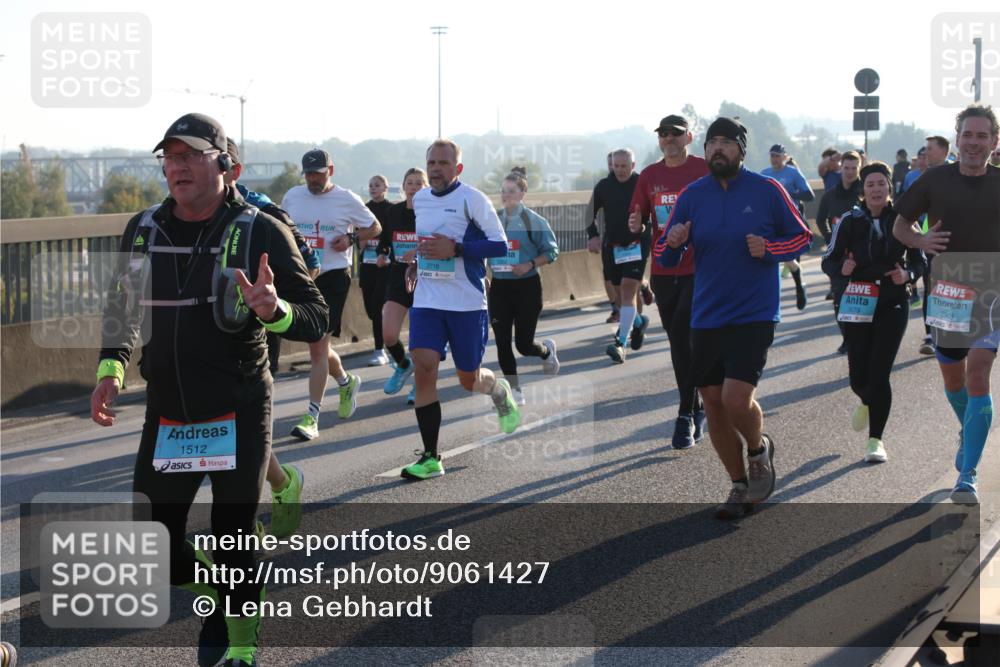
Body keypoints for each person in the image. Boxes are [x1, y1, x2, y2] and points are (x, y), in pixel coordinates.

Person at [90, 113, 328, 667]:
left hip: (238, 407)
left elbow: (316, 318)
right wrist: (112, 370)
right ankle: (221, 597)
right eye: (169, 158)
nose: (176, 167)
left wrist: (274, 310)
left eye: (190, 155)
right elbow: (122, 307)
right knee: (155, 543)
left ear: (227, 165)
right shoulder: (144, 228)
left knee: (233, 535)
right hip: (170, 411)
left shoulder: (261, 230)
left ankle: (241, 644)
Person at [657, 117, 812, 519]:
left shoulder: (767, 189)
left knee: (735, 398)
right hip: (706, 314)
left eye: (727, 143)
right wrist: (673, 243)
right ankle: (739, 484)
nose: (718, 149)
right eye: (712, 143)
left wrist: (770, 248)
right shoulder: (692, 196)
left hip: (754, 312)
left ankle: (759, 451)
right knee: (711, 403)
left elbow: (802, 237)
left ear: (741, 150)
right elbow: (663, 252)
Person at [893, 104, 1000, 504]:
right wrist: (919, 241)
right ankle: (969, 429)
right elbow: (900, 225)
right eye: (968, 135)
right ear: (957, 139)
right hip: (948, 296)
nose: (974, 143)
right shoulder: (932, 181)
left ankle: (967, 474)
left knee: (978, 375)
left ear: (995, 141)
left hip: (992, 296)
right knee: (953, 381)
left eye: (982, 136)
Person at [400, 139, 520, 480]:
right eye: (431, 163)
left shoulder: (472, 199)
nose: (436, 168)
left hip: (466, 303)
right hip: (427, 300)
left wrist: (457, 248)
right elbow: (428, 242)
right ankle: (430, 457)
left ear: (458, 168)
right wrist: (418, 261)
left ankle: (498, 390)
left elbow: (499, 245)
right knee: (424, 369)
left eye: (443, 163)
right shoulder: (420, 199)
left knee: (469, 379)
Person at [223, 138, 312, 540]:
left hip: (255, 333)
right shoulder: (178, 213)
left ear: (229, 167)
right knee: (216, 429)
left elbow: (307, 266)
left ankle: (253, 510)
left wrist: (274, 305)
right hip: (199, 337)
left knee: (241, 425)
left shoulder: (264, 213)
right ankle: (274, 487)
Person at [822, 162, 925, 463]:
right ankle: (867, 400)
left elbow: (921, 260)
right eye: (870, 185)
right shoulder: (849, 221)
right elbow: (828, 260)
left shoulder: (904, 222)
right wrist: (843, 269)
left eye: (881, 184)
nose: (876, 189)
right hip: (858, 300)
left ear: (890, 189)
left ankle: (875, 441)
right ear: (863, 191)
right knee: (858, 378)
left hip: (893, 301)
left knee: (880, 375)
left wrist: (909, 275)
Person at [281, 149, 381, 440]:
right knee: (318, 346)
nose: (313, 179)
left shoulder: (346, 198)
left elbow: (375, 226)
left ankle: (312, 416)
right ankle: (345, 381)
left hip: (334, 276)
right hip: (302, 277)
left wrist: (351, 238)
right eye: (309, 174)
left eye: (319, 173)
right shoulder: (292, 196)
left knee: (316, 346)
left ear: (331, 171)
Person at [627, 113, 710, 448]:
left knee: (686, 335)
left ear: (689, 138)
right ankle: (696, 405)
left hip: (700, 268)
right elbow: (641, 219)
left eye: (676, 134)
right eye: (663, 135)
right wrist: (636, 225)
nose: (669, 140)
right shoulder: (649, 176)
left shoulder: (704, 169)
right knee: (679, 344)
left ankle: (684, 415)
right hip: (663, 270)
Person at [488, 167, 561, 405]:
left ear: (522, 194)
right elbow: (481, 248)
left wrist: (529, 264)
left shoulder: (533, 220)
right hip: (499, 288)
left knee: (523, 344)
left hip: (527, 287)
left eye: (511, 191)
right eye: (503, 191)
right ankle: (515, 389)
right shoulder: (492, 220)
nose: (506, 195)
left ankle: (546, 352)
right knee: (501, 341)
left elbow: (552, 251)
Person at [587, 148, 648, 363]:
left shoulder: (642, 183)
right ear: (611, 164)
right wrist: (593, 236)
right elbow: (589, 213)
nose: (620, 170)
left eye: (624, 166)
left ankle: (621, 343)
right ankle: (639, 322)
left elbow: (653, 213)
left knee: (629, 289)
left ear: (633, 165)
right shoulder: (604, 186)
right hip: (612, 246)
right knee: (621, 294)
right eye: (616, 165)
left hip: (637, 244)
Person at [380, 168, 429, 404]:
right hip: (398, 278)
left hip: (425, 280)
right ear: (403, 187)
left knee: (419, 341)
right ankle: (402, 365)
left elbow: (440, 242)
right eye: (410, 182)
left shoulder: (431, 213)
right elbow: (385, 242)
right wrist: (382, 254)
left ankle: (420, 386)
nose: (414, 187)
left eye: (419, 183)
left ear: (426, 187)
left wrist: (418, 251)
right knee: (388, 335)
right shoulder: (393, 211)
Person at [816, 150, 863, 353]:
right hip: (838, 254)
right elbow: (820, 219)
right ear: (840, 168)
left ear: (859, 169)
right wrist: (829, 238)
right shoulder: (830, 195)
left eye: (854, 168)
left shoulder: (863, 192)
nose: (850, 172)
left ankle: (862, 337)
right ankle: (847, 339)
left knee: (861, 298)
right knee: (839, 298)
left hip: (862, 253)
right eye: (847, 168)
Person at [761, 143, 814, 310]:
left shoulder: (792, 173)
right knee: (768, 259)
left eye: (777, 155)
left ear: (785, 156)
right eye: (772, 155)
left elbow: (810, 195)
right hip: (770, 222)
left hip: (789, 221)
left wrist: (787, 194)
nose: (774, 159)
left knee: (788, 259)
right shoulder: (764, 174)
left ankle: (799, 285)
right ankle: (769, 301)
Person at [362, 174, 393, 366]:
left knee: (377, 304)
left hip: (385, 265)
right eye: (371, 185)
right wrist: (360, 241)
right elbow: (358, 233)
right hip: (367, 265)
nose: (373, 188)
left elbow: (391, 236)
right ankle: (386, 338)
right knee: (370, 310)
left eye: (377, 185)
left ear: (385, 188)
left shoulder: (391, 209)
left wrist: (387, 253)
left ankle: (379, 350)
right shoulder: (364, 209)